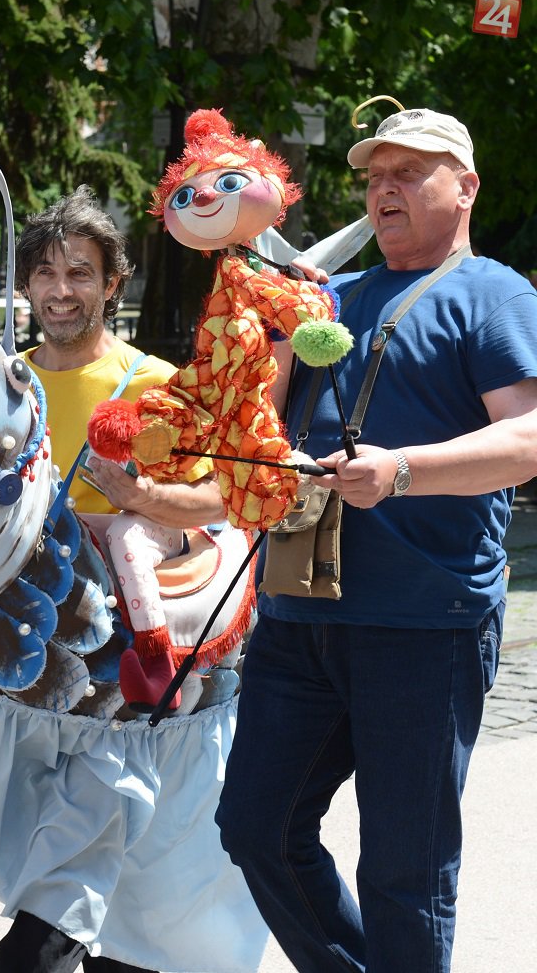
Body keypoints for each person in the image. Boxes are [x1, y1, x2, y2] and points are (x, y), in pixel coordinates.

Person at [216, 106, 537, 973]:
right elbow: (256, 415)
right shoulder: (328, 296)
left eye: (408, 173)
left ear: (465, 188)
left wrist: (400, 471)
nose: (383, 190)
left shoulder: (497, 294)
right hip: (298, 612)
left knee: (405, 872)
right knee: (255, 826)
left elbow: (529, 437)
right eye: (374, 177)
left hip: (425, 621)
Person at [0, 184, 225, 973]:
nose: (61, 291)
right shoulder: (1, 383)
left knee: (74, 860)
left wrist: (140, 499)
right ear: (25, 285)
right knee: (79, 855)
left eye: (80, 273)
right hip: (18, 663)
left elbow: (222, 501)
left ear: (113, 282)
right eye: (46, 273)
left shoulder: (153, 382)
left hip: (123, 666)